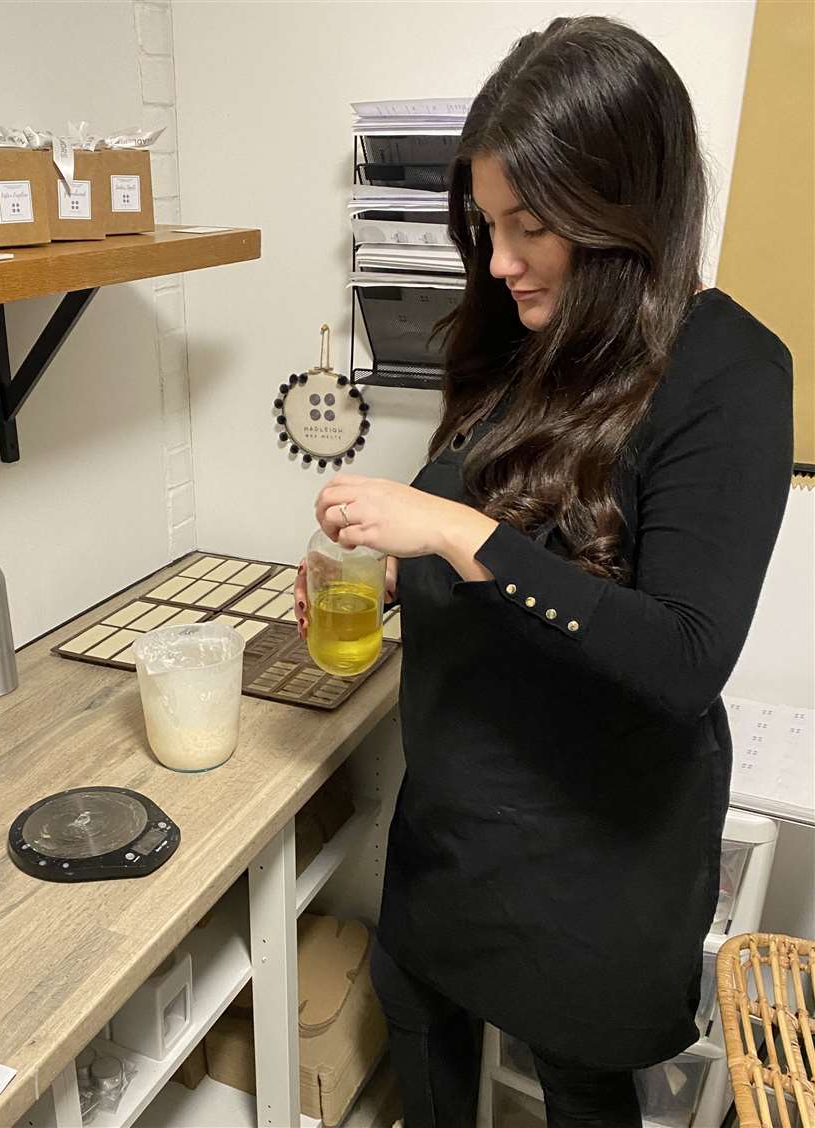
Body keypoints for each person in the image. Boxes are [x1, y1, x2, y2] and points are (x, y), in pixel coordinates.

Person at [295, 16, 793, 1128]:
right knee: (412, 1014)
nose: (500, 260)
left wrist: (454, 535)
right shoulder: (517, 338)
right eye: (486, 224)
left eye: (532, 227)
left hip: (596, 868)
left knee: (580, 1086)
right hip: (457, 830)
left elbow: (682, 659)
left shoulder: (730, 371)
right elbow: (506, 545)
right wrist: (386, 578)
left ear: (627, 210)